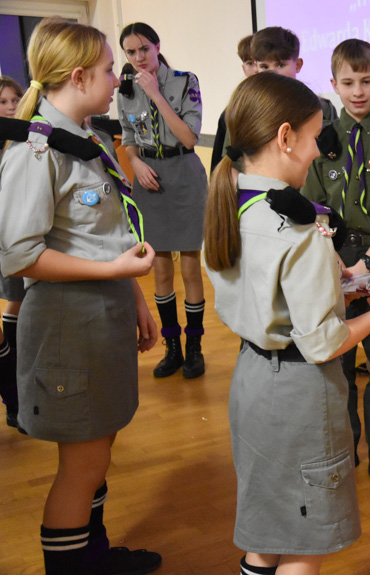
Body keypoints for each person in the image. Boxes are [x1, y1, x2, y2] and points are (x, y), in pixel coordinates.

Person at [204, 71, 370, 575]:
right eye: (317, 137)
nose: (320, 151)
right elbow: (324, 342)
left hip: (251, 380)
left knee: (268, 525)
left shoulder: (234, 204)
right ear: (286, 137)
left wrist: (332, 284)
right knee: (303, 542)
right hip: (297, 396)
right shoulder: (301, 232)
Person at [0, 18, 161, 574]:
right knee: (81, 466)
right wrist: (114, 270)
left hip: (101, 315)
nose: (117, 75)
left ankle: (94, 556)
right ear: (77, 75)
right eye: (109, 69)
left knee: (96, 458)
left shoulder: (86, 138)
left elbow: (104, 236)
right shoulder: (36, 151)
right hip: (69, 325)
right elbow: (18, 255)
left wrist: (134, 298)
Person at [301, 38, 370, 480]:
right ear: (333, 84)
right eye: (348, 82)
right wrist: (332, 258)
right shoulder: (320, 142)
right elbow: (310, 208)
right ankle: (346, 443)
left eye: (366, 80)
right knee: (339, 361)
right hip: (331, 255)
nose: (358, 91)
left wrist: (368, 261)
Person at [118, 22, 209, 380]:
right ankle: (172, 347)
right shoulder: (124, 90)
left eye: (144, 49)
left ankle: (195, 347)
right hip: (149, 180)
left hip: (184, 175)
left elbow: (188, 138)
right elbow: (127, 138)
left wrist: (156, 94)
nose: (139, 58)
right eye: (131, 52)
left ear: (157, 46)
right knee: (159, 267)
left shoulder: (185, 81)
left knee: (189, 266)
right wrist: (136, 163)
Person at [251, 26, 339, 129]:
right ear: (256, 68)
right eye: (264, 67)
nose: (272, 73)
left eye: (280, 65)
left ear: (297, 65)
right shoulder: (246, 110)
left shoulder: (321, 108)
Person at [0, 75, 24, 429]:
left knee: (18, 300)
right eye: (2, 102)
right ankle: (14, 401)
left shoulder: (26, 139)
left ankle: (17, 400)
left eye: (13, 100)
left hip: (21, 234)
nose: (9, 107)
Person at [210, 34, 255, 174]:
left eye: (260, 63)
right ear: (244, 68)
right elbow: (224, 159)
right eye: (250, 63)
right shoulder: (234, 109)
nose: (256, 69)